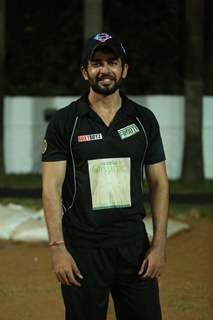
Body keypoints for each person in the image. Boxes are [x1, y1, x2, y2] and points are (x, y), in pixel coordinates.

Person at [42, 32, 169, 320]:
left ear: (124, 69)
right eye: (96, 63)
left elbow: (159, 183)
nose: (105, 69)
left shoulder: (143, 119)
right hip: (83, 247)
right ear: (84, 71)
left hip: (133, 247)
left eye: (112, 61)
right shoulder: (66, 122)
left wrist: (159, 243)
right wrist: (58, 248)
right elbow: (51, 188)